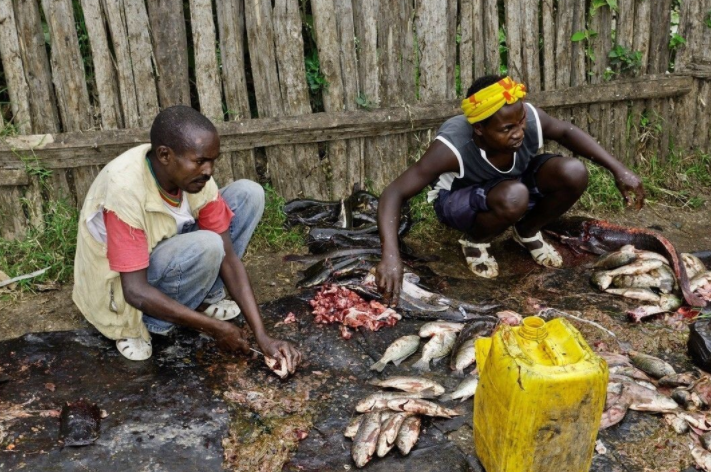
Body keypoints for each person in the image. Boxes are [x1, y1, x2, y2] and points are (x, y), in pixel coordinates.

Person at [375, 75, 645, 304]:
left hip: (511, 189)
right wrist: (390, 255)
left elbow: (565, 132)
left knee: (573, 172)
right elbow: (394, 193)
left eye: (521, 122)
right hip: (461, 202)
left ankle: (526, 231)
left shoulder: (526, 121)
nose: (518, 132)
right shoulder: (452, 147)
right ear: (479, 128)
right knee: (514, 195)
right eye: (507, 128)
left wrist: (618, 169)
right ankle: (476, 241)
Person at [73, 105, 301, 372]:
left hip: (164, 254)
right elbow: (134, 290)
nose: (209, 170)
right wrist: (215, 329)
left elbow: (227, 257)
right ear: (165, 155)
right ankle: (146, 325)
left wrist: (263, 336)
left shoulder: (194, 180)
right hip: (122, 291)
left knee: (249, 194)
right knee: (207, 245)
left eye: (213, 161)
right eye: (200, 161)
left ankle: (203, 299)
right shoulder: (124, 189)